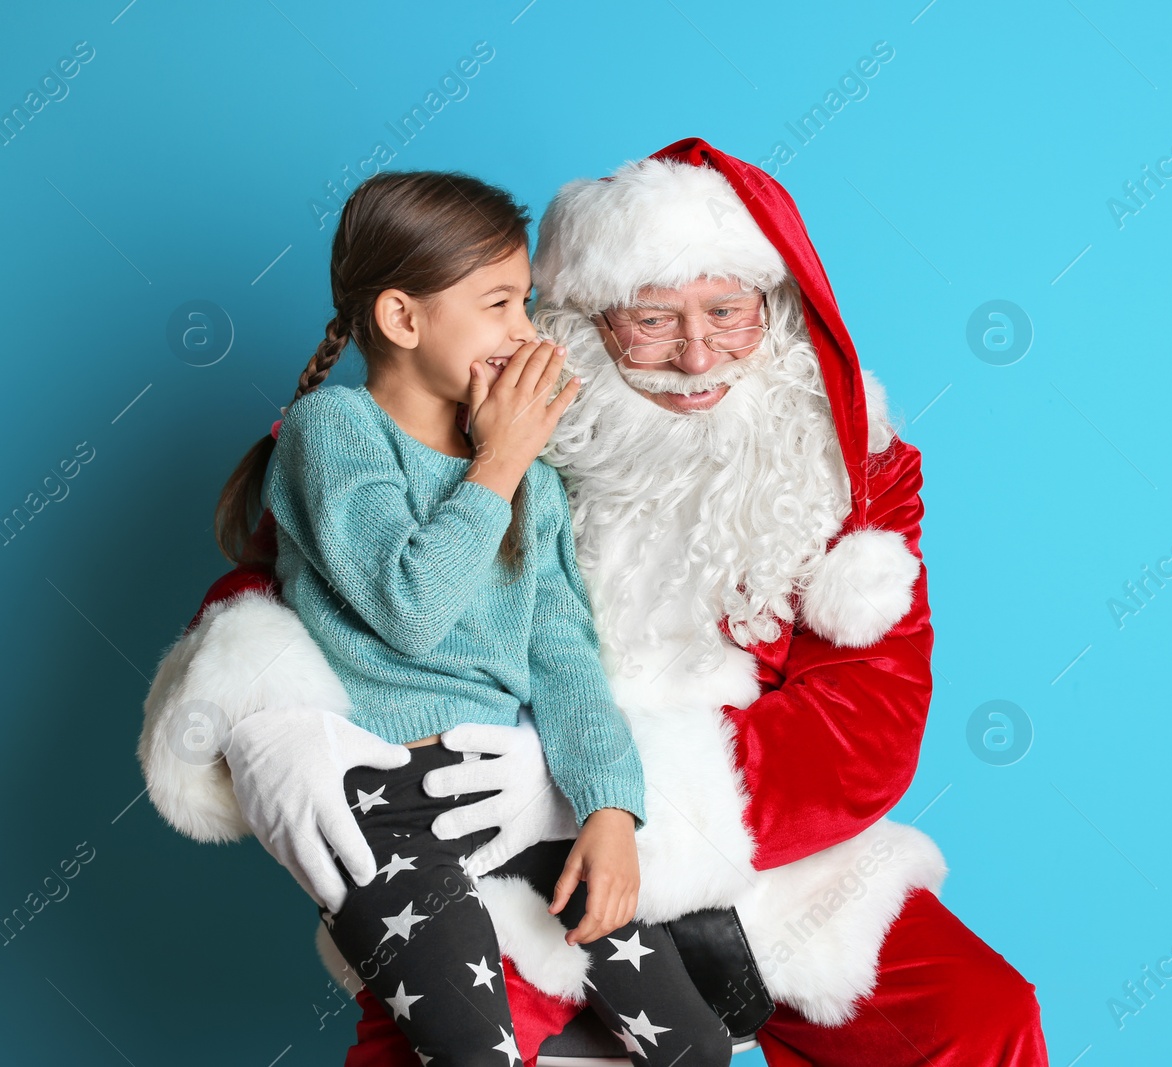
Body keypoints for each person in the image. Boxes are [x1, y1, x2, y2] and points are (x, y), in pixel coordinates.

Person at [139, 140, 1048, 1066]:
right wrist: (268, 719)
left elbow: (870, 730)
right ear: (583, 322)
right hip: (486, 838)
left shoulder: (851, 467)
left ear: (774, 308)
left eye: (729, 312)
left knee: (980, 1020)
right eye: (651, 320)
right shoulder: (514, 422)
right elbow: (292, 569)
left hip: (757, 860)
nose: (697, 355)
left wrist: (598, 800)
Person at [197, 169, 733, 1067]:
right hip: (384, 809)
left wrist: (608, 809)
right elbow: (411, 607)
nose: (524, 332)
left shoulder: (536, 482)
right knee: (471, 1053)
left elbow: (564, 656)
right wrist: (502, 458)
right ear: (404, 320)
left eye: (523, 302)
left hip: (514, 795)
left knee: (695, 1047)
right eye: (497, 304)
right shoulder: (334, 432)